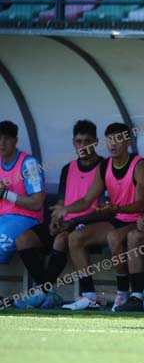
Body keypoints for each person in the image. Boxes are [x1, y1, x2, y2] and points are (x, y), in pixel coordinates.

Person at [62, 123, 144, 311]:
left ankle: (125, 292)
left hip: (141, 220)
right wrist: (64, 210)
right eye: (110, 140)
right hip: (118, 219)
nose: (113, 144)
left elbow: (142, 205)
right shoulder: (105, 166)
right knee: (75, 238)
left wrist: (116, 208)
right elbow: (87, 200)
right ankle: (89, 296)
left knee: (114, 237)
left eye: (118, 139)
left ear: (128, 142)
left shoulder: (140, 165)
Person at [14, 120, 101, 309]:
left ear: (96, 142)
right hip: (66, 222)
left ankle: (42, 291)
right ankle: (48, 292)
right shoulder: (68, 168)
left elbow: (101, 207)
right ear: (73, 142)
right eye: (79, 141)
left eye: (88, 141)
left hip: (90, 223)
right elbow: (61, 202)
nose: (83, 146)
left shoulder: (104, 167)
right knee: (23, 239)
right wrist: (55, 220)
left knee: (62, 239)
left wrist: (72, 221)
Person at [0, 121, 45, 270]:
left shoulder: (29, 164)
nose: (2, 143)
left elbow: (37, 203)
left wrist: (5, 194)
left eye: (7, 138)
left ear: (16, 140)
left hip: (26, 219)